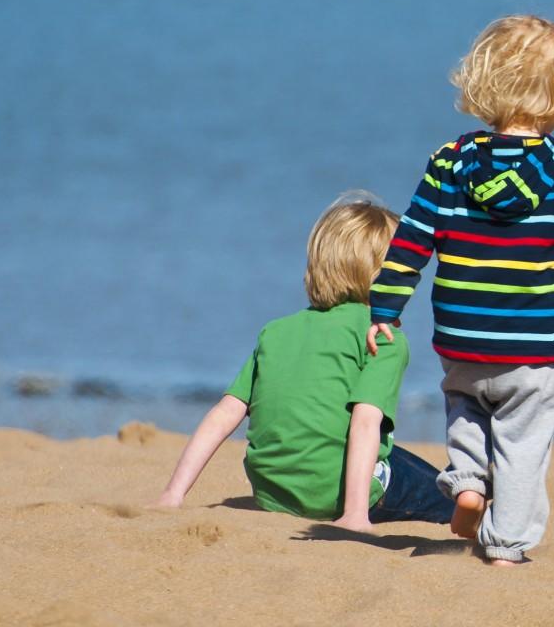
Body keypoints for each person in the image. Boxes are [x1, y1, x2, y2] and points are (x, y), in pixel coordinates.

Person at [367, 14, 554, 566]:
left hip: (461, 338)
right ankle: (506, 547)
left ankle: (469, 482)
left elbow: (411, 240)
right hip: (532, 349)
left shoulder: (449, 163)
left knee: (467, 408)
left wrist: (385, 307)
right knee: (523, 447)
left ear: (481, 84)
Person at [154, 193, 453, 530]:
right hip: (338, 495)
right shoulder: (381, 338)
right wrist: (355, 513)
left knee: (401, 459)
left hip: (273, 493)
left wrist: (173, 493)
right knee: (448, 498)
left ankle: (173, 495)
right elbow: (365, 421)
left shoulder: (276, 331)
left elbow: (225, 412)